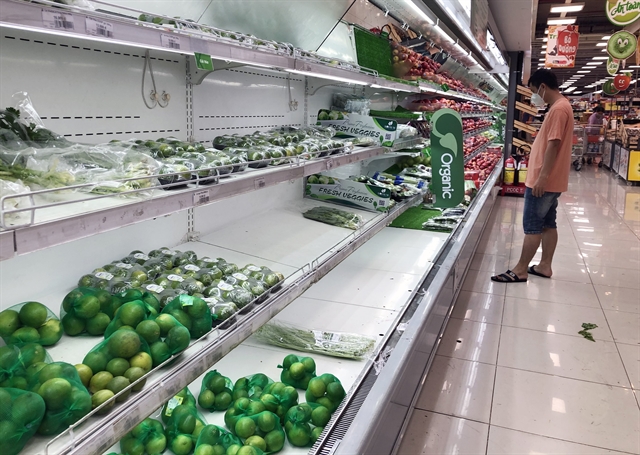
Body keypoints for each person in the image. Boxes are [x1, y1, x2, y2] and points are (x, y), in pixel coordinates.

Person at [492, 69, 574, 282]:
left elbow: (553, 144)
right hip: (552, 180)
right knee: (548, 223)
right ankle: (545, 265)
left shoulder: (558, 110)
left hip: (543, 181)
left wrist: (542, 178)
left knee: (532, 226)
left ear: (543, 87)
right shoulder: (561, 106)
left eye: (533, 91)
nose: (533, 96)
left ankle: (520, 270)